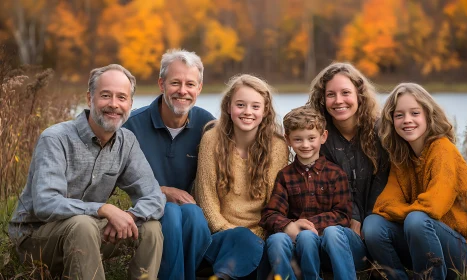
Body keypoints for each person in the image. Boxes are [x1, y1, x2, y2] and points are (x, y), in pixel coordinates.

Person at [8, 64, 165, 280]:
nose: (113, 104)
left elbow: (154, 196)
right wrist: (103, 209)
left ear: (130, 103)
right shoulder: (55, 138)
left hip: (89, 232)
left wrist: (129, 215)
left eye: (121, 97)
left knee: (151, 227)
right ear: (89, 98)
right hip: (37, 239)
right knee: (83, 225)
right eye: (105, 95)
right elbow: (45, 203)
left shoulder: (126, 142)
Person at [362, 83, 467, 280]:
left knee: (416, 220)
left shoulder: (442, 150)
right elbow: (383, 205)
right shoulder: (402, 158)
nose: (407, 120)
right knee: (372, 225)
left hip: (464, 254)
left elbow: (433, 207)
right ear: (391, 121)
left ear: (429, 116)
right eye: (399, 115)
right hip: (426, 241)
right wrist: (412, 213)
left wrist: (408, 213)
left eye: (415, 113)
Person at [123, 49, 214, 280]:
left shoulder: (208, 125)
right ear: (162, 84)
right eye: (175, 83)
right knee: (171, 211)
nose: (183, 91)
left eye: (190, 84)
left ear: (199, 88)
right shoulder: (132, 126)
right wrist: (162, 191)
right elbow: (119, 179)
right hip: (147, 210)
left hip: (192, 211)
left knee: (192, 214)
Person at [195, 74, 289, 279]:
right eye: (240, 105)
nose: (248, 112)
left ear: (265, 111)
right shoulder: (211, 139)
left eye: (255, 106)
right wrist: (230, 232)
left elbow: (274, 204)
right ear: (229, 107)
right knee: (243, 243)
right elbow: (207, 201)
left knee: (257, 250)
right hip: (220, 236)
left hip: (261, 235)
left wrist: (256, 237)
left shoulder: (277, 146)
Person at [306, 62, 390, 277]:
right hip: (338, 229)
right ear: (322, 99)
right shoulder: (319, 139)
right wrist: (351, 216)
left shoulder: (381, 132)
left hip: (378, 228)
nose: (338, 101)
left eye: (346, 93)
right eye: (331, 94)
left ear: (360, 95)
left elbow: (383, 182)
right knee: (333, 233)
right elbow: (331, 188)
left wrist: (365, 219)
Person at [259, 106, 352, 280]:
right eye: (298, 139)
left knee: (308, 236)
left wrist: (307, 224)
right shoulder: (285, 175)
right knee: (275, 240)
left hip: (326, 243)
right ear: (288, 139)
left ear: (323, 137)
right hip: (296, 243)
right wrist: (290, 226)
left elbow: (343, 215)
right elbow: (270, 214)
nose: (306, 145)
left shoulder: (336, 174)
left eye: (311, 138)